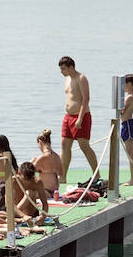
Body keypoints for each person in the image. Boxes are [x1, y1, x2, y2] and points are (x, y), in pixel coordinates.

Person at [58, 55, 99, 183]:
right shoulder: (67, 79)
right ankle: (63, 176)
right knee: (65, 144)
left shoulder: (81, 78)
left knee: (84, 145)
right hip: (68, 116)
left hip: (81, 116)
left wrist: (80, 118)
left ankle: (96, 173)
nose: (61, 72)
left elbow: (86, 99)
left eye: (63, 69)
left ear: (71, 67)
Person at [32, 129, 64, 197]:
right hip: (54, 189)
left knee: (26, 193)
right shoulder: (57, 157)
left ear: (40, 142)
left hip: (44, 190)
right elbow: (61, 173)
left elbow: (29, 171)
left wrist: (32, 162)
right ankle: (54, 194)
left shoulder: (42, 157)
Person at [120, 73, 133, 186]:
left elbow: (121, 110)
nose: (123, 87)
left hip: (128, 124)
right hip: (126, 124)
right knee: (129, 152)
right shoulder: (131, 96)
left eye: (124, 85)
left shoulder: (130, 97)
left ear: (129, 84)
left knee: (130, 153)